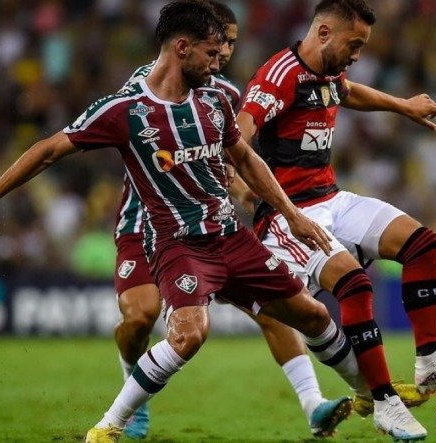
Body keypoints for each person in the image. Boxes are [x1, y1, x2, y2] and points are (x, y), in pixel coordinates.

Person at [0, 2, 390, 442]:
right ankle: (110, 423)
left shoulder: (218, 98)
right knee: (161, 325)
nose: (222, 60)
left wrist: (289, 215)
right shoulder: (126, 108)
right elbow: (49, 149)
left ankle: (374, 399)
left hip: (229, 234)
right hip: (171, 238)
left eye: (224, 49)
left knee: (309, 313)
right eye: (214, 51)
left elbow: (246, 159)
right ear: (182, 48)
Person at [112, 1, 369, 438]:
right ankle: (128, 379)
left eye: (232, 42)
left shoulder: (225, 95)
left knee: (275, 311)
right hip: (145, 224)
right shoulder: (148, 83)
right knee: (141, 318)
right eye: (221, 41)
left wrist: (252, 193)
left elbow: (238, 159)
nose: (227, 51)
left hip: (213, 226)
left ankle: (313, 405)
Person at [232, 0, 436, 437]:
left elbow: (348, 92)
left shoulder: (328, 72)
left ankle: (429, 360)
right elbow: (237, 137)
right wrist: (249, 193)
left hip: (331, 197)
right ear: (325, 33)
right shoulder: (279, 76)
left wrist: (402, 105)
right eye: (354, 44)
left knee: (421, 242)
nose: (358, 54)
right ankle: (385, 402)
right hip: (286, 214)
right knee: (354, 284)